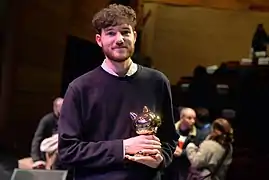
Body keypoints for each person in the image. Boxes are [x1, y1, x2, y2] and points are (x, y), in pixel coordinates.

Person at [58, 4, 178, 180]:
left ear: (135, 36)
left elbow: (169, 138)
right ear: (99, 40)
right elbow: (68, 151)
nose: (120, 39)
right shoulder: (79, 88)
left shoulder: (157, 82)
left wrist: (161, 159)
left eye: (125, 32)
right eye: (111, 33)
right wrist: (123, 148)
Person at [30, 97, 63, 169]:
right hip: (48, 149)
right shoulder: (47, 120)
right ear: (56, 108)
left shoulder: (68, 119)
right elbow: (37, 139)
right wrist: (36, 159)